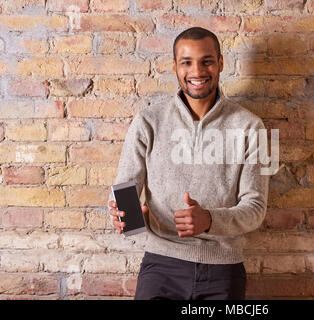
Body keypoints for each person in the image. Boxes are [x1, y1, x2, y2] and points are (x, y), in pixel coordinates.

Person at [108, 27, 269, 300]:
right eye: (186, 62)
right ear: (174, 67)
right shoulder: (147, 121)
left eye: (207, 61)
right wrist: (129, 219)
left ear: (220, 63)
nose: (197, 71)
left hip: (224, 270)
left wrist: (209, 220)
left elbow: (256, 209)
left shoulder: (254, 127)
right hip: (161, 266)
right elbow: (124, 191)